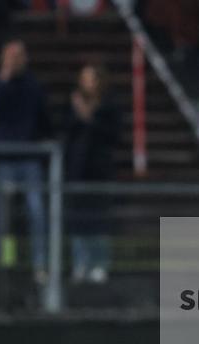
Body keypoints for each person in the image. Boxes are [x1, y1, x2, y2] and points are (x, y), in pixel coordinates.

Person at [0, 39, 52, 284]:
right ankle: (7, 260)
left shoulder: (33, 85)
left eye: (19, 55)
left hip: (29, 159)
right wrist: (3, 79)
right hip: (4, 160)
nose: (15, 60)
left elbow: (43, 117)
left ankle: (40, 264)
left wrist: (44, 140)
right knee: (4, 217)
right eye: (10, 56)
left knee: (37, 213)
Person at [64, 62, 121, 284]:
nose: (87, 83)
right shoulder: (73, 104)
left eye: (91, 78)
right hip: (77, 170)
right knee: (78, 221)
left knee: (98, 222)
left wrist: (89, 117)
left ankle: (99, 264)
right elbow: (65, 130)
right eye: (84, 78)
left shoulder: (109, 106)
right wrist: (79, 115)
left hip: (100, 170)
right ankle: (80, 263)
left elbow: (113, 135)